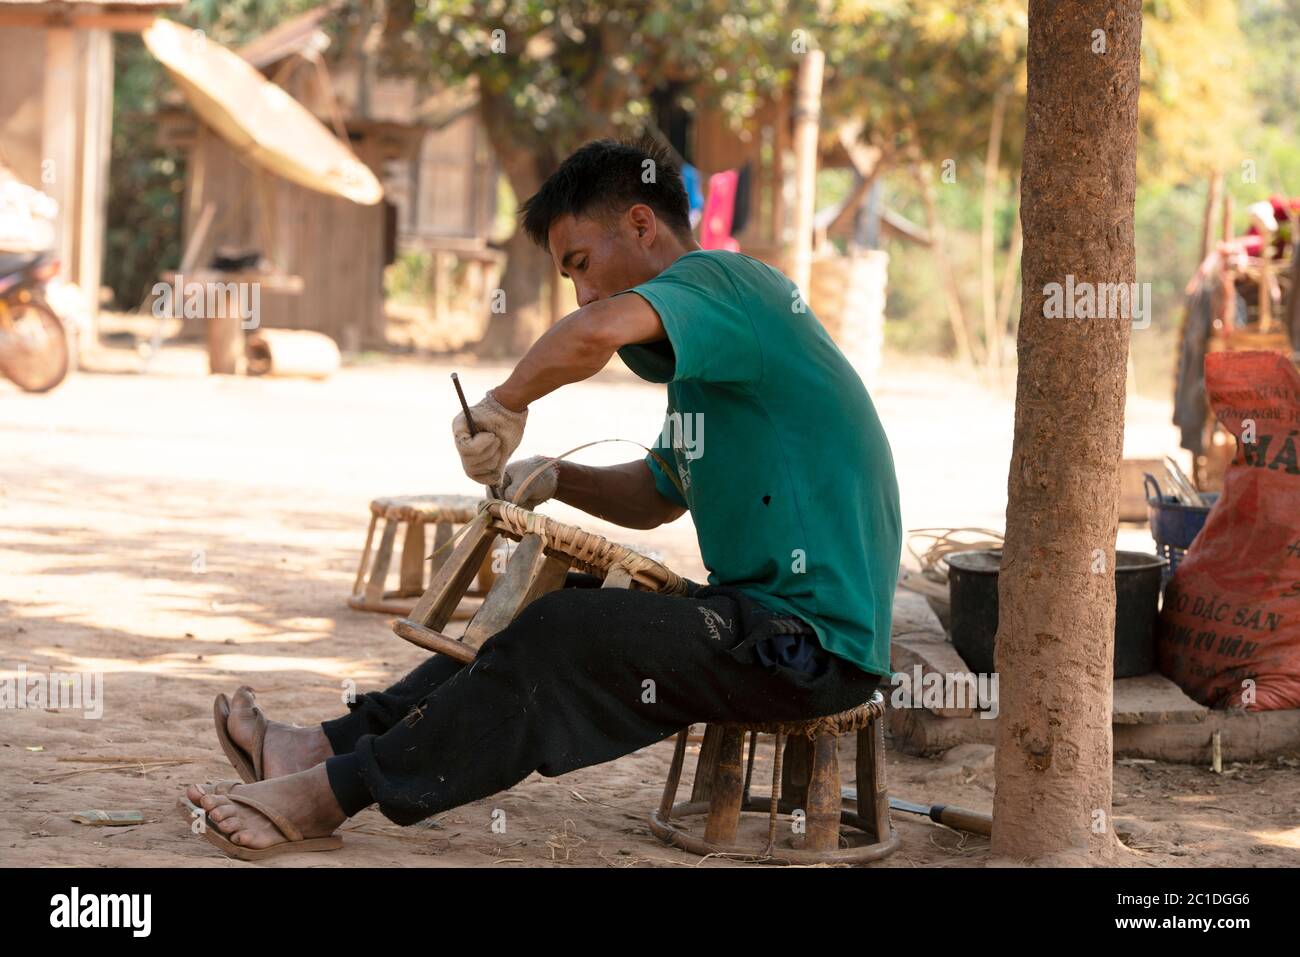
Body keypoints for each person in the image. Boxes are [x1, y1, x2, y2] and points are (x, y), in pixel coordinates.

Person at [182, 138, 902, 856]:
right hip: (753, 627)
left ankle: (329, 795)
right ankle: (317, 746)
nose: (582, 293)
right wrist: (552, 474)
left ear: (643, 225)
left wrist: (502, 403)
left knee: (564, 632)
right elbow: (658, 493)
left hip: (813, 650)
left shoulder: (727, 281)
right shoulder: (707, 360)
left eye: (581, 264)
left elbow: (593, 331)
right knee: (536, 601)